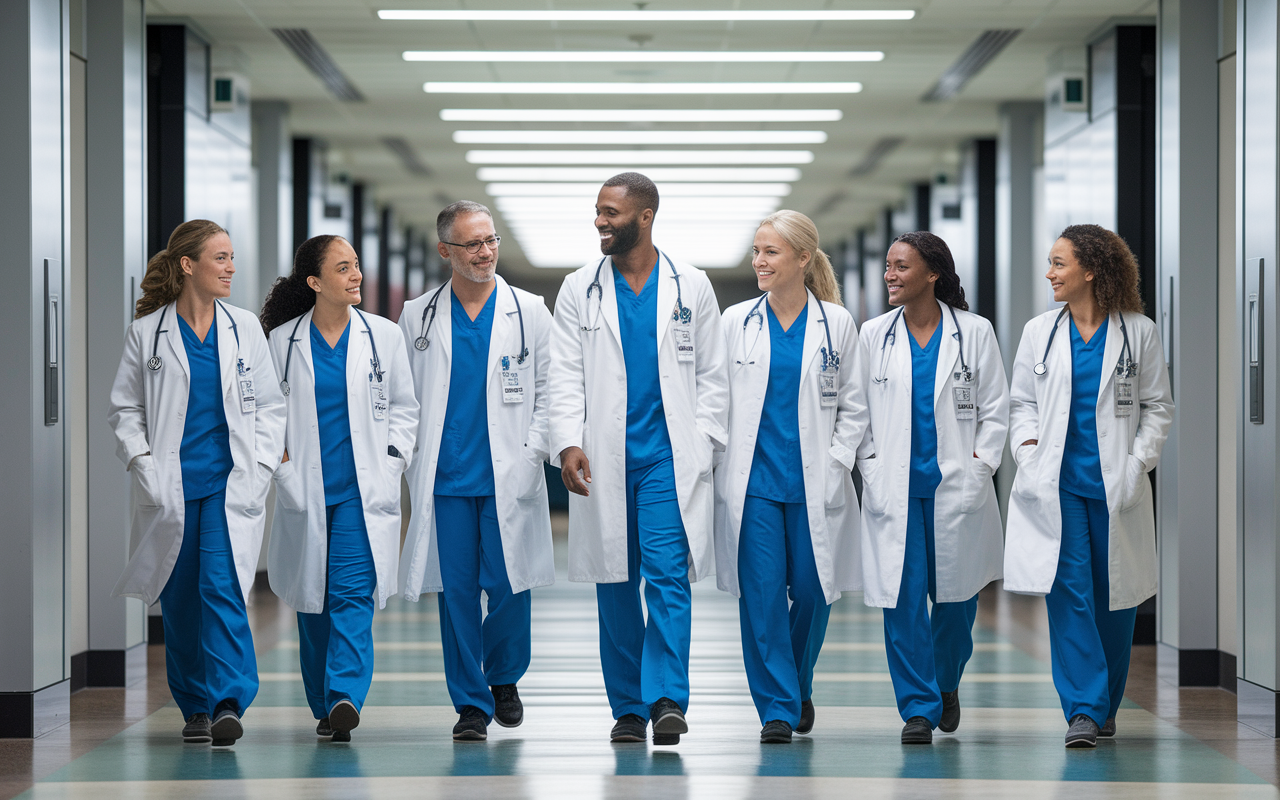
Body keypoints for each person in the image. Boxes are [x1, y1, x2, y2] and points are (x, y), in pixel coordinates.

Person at [549, 172, 729, 745]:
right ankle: (628, 707)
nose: (599, 221)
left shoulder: (692, 286)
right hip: (603, 458)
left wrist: (701, 444)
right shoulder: (580, 288)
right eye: (597, 211)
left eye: (610, 212)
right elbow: (565, 375)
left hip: (666, 461)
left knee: (669, 578)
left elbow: (713, 379)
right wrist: (567, 440)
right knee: (615, 582)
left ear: (645, 216)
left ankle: (668, 698)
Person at [108, 220, 286, 747]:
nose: (232, 267)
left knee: (222, 586)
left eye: (232, 257)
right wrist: (142, 461)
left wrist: (258, 466)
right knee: (182, 597)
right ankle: (194, 707)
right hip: (172, 488)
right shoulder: (148, 333)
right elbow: (124, 409)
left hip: (231, 484)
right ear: (188, 266)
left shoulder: (244, 328)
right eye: (221, 258)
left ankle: (229, 698)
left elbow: (271, 407)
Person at [1004, 224, 1172, 748]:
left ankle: (1105, 704)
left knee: (1115, 599)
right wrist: (1028, 455)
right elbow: (1022, 405)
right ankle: (1083, 708)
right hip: (1056, 486)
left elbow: (1158, 407)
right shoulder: (1040, 332)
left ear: (1091, 270)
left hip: (1115, 484)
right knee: (1068, 591)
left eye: (1059, 263)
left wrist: (1137, 463)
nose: (1049, 273)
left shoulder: (1137, 331)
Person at [398, 201, 555, 742]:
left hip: (509, 472)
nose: (485, 252)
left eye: (490, 241)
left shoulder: (530, 310)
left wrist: (536, 450)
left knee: (511, 583)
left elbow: (551, 391)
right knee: (456, 591)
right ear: (446, 251)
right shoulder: (417, 315)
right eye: (472, 244)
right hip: (444, 477)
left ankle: (504, 675)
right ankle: (469, 702)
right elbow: (404, 396)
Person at [713, 210, 867, 744]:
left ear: (803, 258)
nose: (759, 261)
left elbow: (855, 406)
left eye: (770, 252)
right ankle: (776, 707)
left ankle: (796, 682)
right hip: (751, 484)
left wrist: (837, 460)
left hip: (815, 483)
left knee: (813, 590)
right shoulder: (736, 322)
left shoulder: (836, 324)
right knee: (760, 597)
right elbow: (717, 401)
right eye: (756, 251)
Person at [259, 235, 418, 743]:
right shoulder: (281, 343)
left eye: (356, 266)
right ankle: (324, 705)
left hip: (361, 491)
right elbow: (265, 417)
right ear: (315, 282)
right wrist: (282, 467)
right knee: (315, 602)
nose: (356, 276)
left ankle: (345, 693)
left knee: (352, 595)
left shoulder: (384, 337)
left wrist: (393, 459)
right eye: (343, 268)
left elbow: (404, 409)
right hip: (304, 491)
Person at [856, 231, 1009, 745]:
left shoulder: (975, 332)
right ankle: (918, 707)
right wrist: (871, 465)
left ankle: (945, 683)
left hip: (955, 489)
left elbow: (996, 411)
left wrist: (980, 466)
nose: (890, 275)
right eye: (888, 266)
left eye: (901, 266)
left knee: (956, 604)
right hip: (895, 490)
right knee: (901, 602)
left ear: (932, 273)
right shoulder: (874, 334)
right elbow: (858, 414)